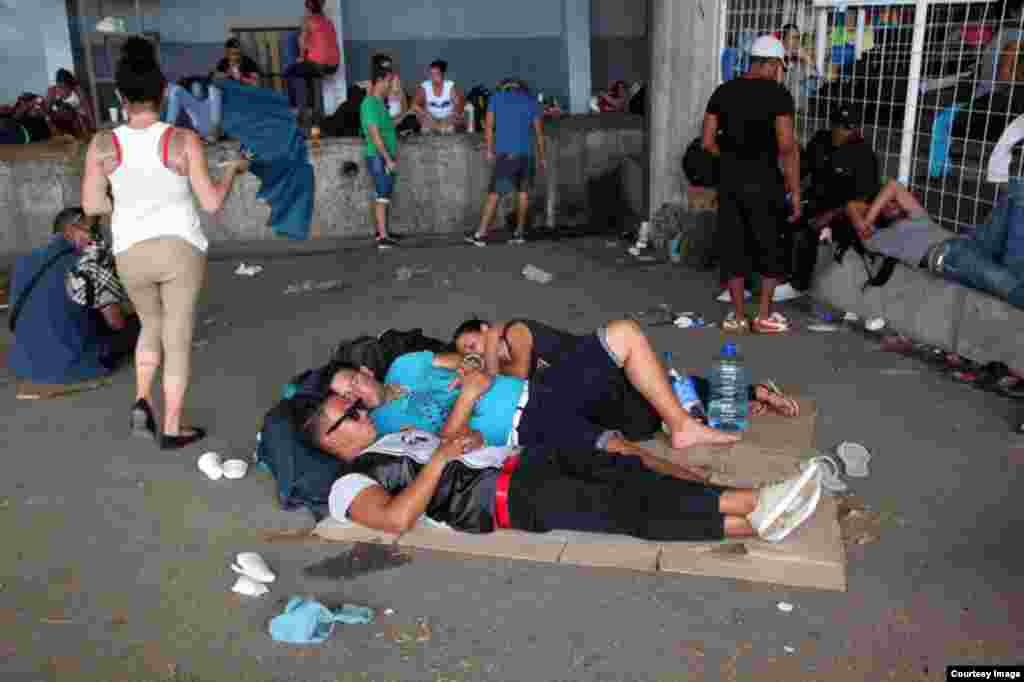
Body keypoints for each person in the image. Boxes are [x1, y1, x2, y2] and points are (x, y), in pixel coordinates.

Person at [293, 395, 824, 544]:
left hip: (521, 461)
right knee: (623, 510)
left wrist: (465, 440)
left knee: (630, 477)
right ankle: (753, 502)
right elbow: (393, 519)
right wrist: (438, 460)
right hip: (505, 498)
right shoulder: (347, 483)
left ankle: (754, 522)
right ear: (332, 438)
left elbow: (455, 447)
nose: (362, 409)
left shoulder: (392, 436)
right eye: (350, 413)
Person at [81, 37, 249, 449]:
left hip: (130, 251)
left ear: (120, 95)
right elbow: (210, 203)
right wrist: (230, 172)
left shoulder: (104, 144)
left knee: (149, 325)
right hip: (179, 249)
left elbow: (91, 204)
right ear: (162, 93)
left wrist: (124, 197)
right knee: (176, 334)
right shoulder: (181, 140)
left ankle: (141, 398)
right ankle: (172, 426)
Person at [315, 319, 740, 463]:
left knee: (624, 334)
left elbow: (465, 363)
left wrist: (472, 372)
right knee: (622, 442)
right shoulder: (386, 429)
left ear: (366, 370)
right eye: (347, 397)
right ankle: (688, 438)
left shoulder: (406, 363)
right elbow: (447, 446)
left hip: (532, 387)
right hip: (522, 423)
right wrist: (467, 396)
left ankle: (682, 423)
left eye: (352, 381)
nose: (355, 395)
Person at [451, 318, 801, 421]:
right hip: (595, 388)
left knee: (673, 393)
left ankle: (758, 392)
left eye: (472, 345)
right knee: (666, 404)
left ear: (486, 329)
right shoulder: (504, 360)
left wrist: (489, 352)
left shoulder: (515, 332)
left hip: (606, 365)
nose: (474, 354)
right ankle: (747, 399)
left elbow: (516, 378)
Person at [703, 34, 801, 334]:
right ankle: (764, 315)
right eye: (779, 66)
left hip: (730, 180)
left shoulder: (723, 91)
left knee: (733, 245)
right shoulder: (778, 94)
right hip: (764, 179)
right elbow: (786, 145)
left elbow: (707, 142)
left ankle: (737, 316)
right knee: (770, 243)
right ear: (771, 64)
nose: (779, 72)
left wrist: (733, 158)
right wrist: (793, 188)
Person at [8, 207, 140, 386]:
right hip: (73, 368)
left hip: (24, 365)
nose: (97, 238)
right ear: (71, 230)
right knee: (140, 322)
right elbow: (116, 322)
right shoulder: (89, 263)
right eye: (93, 231)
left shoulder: (23, 261)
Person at [848, 179, 1024, 308]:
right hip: (950, 257)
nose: (892, 204)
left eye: (894, 202)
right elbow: (850, 206)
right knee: (1008, 285)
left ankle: (1016, 270)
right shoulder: (878, 239)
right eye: (886, 205)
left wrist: (872, 214)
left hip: (973, 241)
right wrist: (869, 218)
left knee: (1017, 190)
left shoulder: (917, 217)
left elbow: (893, 186)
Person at [788, 103, 881, 292]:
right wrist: (790, 193)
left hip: (843, 212)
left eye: (849, 128)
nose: (843, 132)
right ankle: (773, 275)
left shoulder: (864, 155)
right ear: (832, 125)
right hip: (814, 202)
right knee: (779, 212)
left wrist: (830, 216)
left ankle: (799, 286)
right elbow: (801, 171)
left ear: (856, 129)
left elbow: (862, 202)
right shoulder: (820, 142)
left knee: (810, 230)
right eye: (840, 126)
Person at [464, 79, 545, 247]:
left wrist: (488, 150)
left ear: (503, 87)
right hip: (527, 155)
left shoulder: (497, 98)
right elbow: (539, 133)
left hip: (507, 154)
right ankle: (519, 233)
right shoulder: (531, 100)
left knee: (494, 193)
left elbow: (488, 126)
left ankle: (480, 234)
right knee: (523, 193)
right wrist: (542, 157)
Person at [360, 61, 403, 250]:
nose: (389, 86)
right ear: (379, 80)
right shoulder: (369, 103)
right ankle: (382, 237)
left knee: (384, 193)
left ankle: (383, 231)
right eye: (388, 82)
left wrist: (408, 114)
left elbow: (388, 126)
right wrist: (388, 159)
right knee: (382, 193)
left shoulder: (379, 104)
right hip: (378, 156)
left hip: (384, 156)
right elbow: (375, 135)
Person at [282, 0, 340, 116]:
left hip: (319, 64)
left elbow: (302, 41)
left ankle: (296, 107)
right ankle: (312, 109)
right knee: (307, 72)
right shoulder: (328, 22)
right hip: (334, 66)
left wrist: (301, 57)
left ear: (307, 9)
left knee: (289, 72)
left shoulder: (307, 21)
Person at [414, 60, 465, 134]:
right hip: (430, 119)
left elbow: (458, 104)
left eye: (436, 74)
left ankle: (443, 128)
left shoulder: (450, 86)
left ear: (443, 74)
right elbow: (414, 105)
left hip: (447, 118)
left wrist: (451, 116)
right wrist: (425, 114)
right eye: (431, 74)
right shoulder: (425, 86)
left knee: (450, 127)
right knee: (425, 128)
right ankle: (437, 128)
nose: (433, 77)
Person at [45, 69, 95, 138]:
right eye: (59, 87)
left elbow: (87, 108)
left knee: (74, 115)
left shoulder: (77, 90)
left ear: (70, 85)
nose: (62, 91)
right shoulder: (52, 91)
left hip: (79, 120)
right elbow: (46, 112)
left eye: (65, 87)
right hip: (61, 120)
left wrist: (93, 126)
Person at [780, 24, 820, 100]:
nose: (796, 41)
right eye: (793, 37)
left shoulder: (802, 60)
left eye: (798, 38)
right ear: (783, 39)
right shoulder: (777, 57)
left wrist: (808, 59)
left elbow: (818, 83)